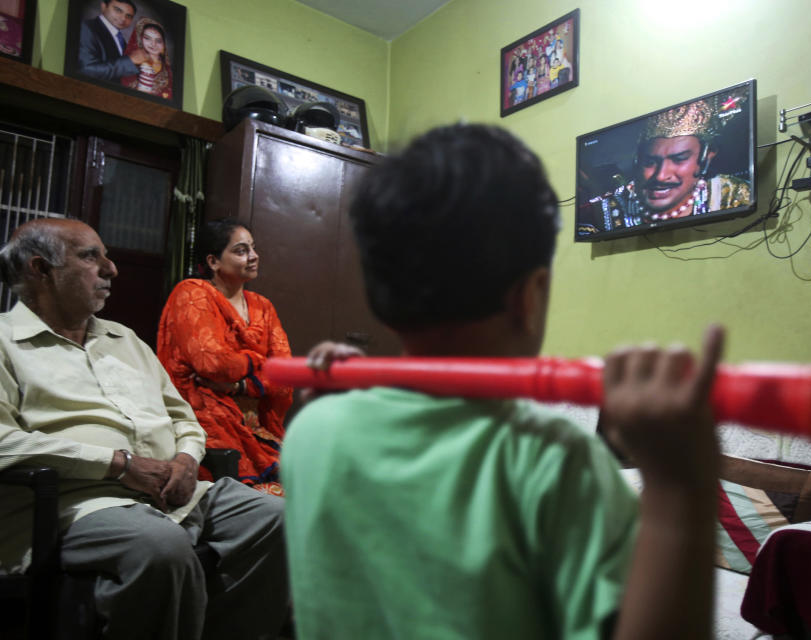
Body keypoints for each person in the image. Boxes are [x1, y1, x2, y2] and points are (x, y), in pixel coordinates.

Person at [282, 123, 723, 639]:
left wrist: (333, 412)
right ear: (531, 295)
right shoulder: (558, 465)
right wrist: (678, 491)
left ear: (380, 294)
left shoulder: (309, 432)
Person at [0, 218, 289, 639]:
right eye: (90, 257)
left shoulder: (125, 340)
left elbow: (182, 416)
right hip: (78, 502)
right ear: (41, 270)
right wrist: (117, 465)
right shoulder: (6, 341)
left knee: (279, 518)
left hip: (172, 491)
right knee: (161, 549)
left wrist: (188, 458)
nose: (111, 268)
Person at [156, 218, 292, 496]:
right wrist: (257, 361)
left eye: (252, 248)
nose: (253, 257)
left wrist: (239, 385)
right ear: (214, 261)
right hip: (209, 423)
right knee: (283, 500)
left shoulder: (262, 307)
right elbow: (212, 362)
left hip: (258, 427)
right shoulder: (192, 293)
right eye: (241, 250)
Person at [631, 97, 751, 223]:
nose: (661, 176)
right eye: (650, 162)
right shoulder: (612, 206)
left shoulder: (734, 195)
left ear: (707, 155)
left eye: (679, 159)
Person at [77, 0, 149, 82]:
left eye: (128, 16)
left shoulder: (119, 38)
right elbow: (86, 70)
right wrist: (130, 60)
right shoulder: (87, 28)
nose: (123, 18)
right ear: (104, 7)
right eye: (118, 10)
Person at [121, 17, 173, 101]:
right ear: (141, 39)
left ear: (164, 43)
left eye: (158, 41)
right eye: (147, 38)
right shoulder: (133, 64)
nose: (153, 44)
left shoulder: (167, 71)